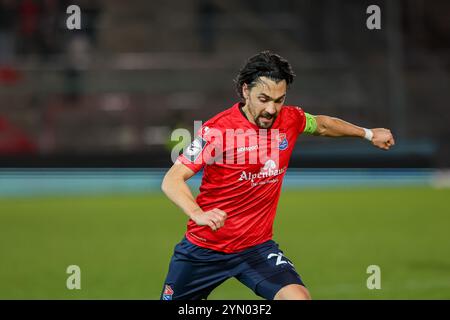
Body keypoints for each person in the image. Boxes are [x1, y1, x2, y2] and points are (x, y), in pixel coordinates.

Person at [160, 51, 395, 300]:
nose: (271, 109)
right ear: (245, 91)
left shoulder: (289, 119)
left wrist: (367, 134)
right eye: (263, 98)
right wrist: (198, 213)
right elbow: (172, 179)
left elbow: (323, 125)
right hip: (203, 250)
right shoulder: (217, 130)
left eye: (279, 100)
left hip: (256, 248)